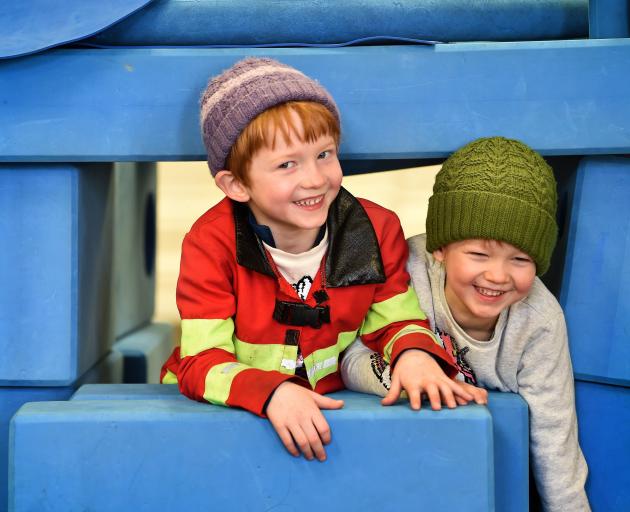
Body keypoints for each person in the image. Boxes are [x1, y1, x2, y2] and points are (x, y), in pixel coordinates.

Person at [160, 57, 485, 463]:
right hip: (228, 413)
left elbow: (397, 320)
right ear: (237, 184)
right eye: (286, 164)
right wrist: (272, 391)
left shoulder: (374, 229)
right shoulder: (211, 243)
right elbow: (200, 361)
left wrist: (415, 354)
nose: (314, 179)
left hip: (331, 411)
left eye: (324, 154)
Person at [341, 136, 589, 511]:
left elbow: (555, 435)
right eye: (478, 254)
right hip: (395, 468)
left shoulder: (539, 321)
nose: (498, 274)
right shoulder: (407, 276)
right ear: (439, 249)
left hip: (478, 477)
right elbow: (349, 358)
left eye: (520, 260)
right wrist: (414, 379)